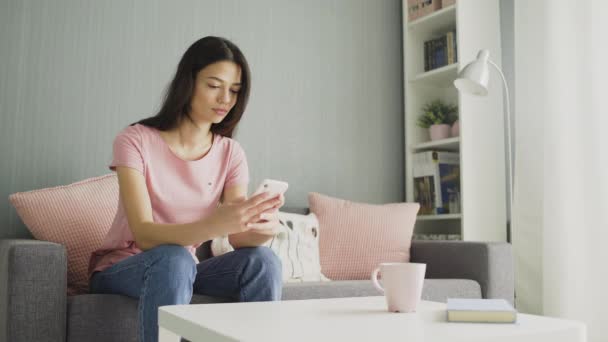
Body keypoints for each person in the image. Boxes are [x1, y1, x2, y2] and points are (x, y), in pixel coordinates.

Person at [88, 36, 284, 342]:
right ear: (188, 81)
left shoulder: (231, 153)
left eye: (234, 91)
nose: (225, 99)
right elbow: (144, 233)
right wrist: (212, 224)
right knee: (173, 259)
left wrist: (263, 225)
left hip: (183, 269)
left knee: (263, 261)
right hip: (125, 267)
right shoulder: (135, 140)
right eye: (214, 85)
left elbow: (238, 236)